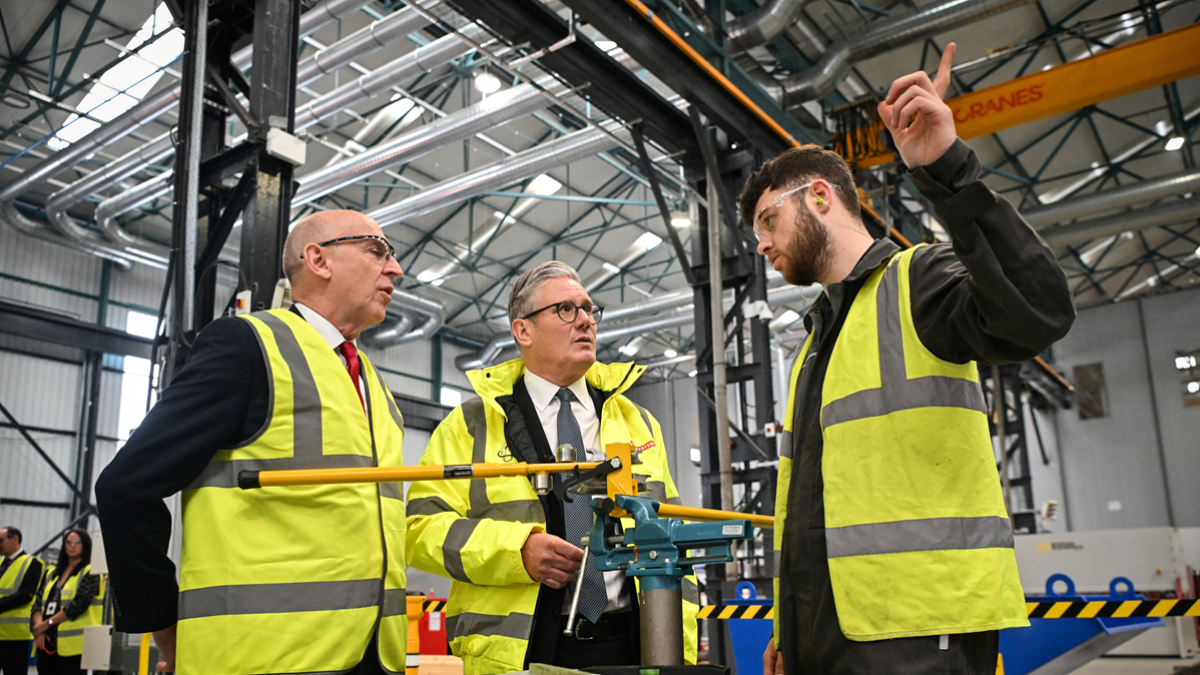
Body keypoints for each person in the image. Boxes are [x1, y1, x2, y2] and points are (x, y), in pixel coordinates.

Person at [743, 45, 1075, 675]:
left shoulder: (916, 281)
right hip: (826, 635)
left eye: (767, 219)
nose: (760, 244)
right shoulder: (814, 344)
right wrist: (790, 632)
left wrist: (947, 171)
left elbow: (1037, 311)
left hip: (922, 632)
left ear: (819, 197)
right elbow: (808, 512)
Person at [95, 210, 409, 675]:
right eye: (375, 250)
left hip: (375, 655)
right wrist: (163, 625)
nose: (395, 268)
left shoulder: (373, 383)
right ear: (318, 260)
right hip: (259, 657)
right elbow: (125, 488)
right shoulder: (247, 346)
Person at [406, 261, 698, 673]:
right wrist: (516, 551)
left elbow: (672, 536)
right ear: (522, 330)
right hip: (520, 651)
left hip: (634, 643)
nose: (584, 321)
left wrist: (677, 652)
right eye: (565, 309)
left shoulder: (637, 421)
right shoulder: (472, 424)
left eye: (588, 309)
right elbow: (420, 528)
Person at [31, 529, 103, 675]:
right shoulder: (51, 572)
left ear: (85, 546)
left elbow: (78, 605)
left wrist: (46, 624)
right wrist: (39, 629)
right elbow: (38, 603)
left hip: (73, 647)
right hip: (46, 643)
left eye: (77, 543)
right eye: (68, 542)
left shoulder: (90, 571)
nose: (72, 546)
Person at [0, 527, 45, 675]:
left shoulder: (32, 563)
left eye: (1, 540)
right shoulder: (1, 562)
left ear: (15, 539)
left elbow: (26, 594)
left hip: (15, 635)